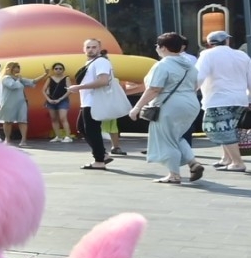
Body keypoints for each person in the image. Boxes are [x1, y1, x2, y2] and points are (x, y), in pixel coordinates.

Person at [132, 31, 203, 185]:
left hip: (170, 104)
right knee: (176, 136)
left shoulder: (163, 65)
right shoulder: (189, 65)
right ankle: (192, 163)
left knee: (166, 139)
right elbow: (196, 85)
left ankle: (174, 175)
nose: (156, 48)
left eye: (157, 45)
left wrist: (137, 107)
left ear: (163, 47)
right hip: (191, 103)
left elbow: (154, 89)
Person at [196, 29, 251, 173]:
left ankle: (237, 163)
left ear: (209, 43)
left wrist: (191, 90)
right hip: (239, 99)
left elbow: (199, 76)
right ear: (227, 40)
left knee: (219, 129)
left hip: (217, 98)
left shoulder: (207, 55)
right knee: (228, 129)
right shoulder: (242, 55)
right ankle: (227, 158)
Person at [69, 37, 129, 170]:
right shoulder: (91, 63)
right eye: (88, 47)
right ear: (84, 49)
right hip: (87, 101)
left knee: (92, 130)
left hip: (94, 101)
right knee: (83, 128)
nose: (91, 50)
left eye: (94, 47)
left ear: (99, 49)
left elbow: (103, 81)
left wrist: (79, 87)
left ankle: (99, 160)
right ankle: (102, 155)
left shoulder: (101, 61)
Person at [0, 61, 30, 145]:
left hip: (20, 101)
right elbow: (13, 86)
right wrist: (18, 79)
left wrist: (44, 75)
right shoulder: (6, 78)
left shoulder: (18, 78)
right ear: (11, 68)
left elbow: (31, 82)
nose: (18, 69)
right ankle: (7, 139)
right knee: (8, 121)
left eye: (18, 67)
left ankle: (23, 140)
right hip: (8, 102)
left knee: (22, 120)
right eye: (16, 67)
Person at [41, 62, 74, 142]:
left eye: (60, 69)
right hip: (51, 100)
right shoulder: (50, 78)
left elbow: (70, 90)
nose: (58, 70)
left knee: (63, 118)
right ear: (53, 70)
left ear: (63, 70)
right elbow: (43, 90)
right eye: (56, 68)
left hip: (63, 100)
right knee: (54, 119)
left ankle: (68, 136)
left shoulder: (66, 78)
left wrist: (60, 99)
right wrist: (48, 99)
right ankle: (58, 136)